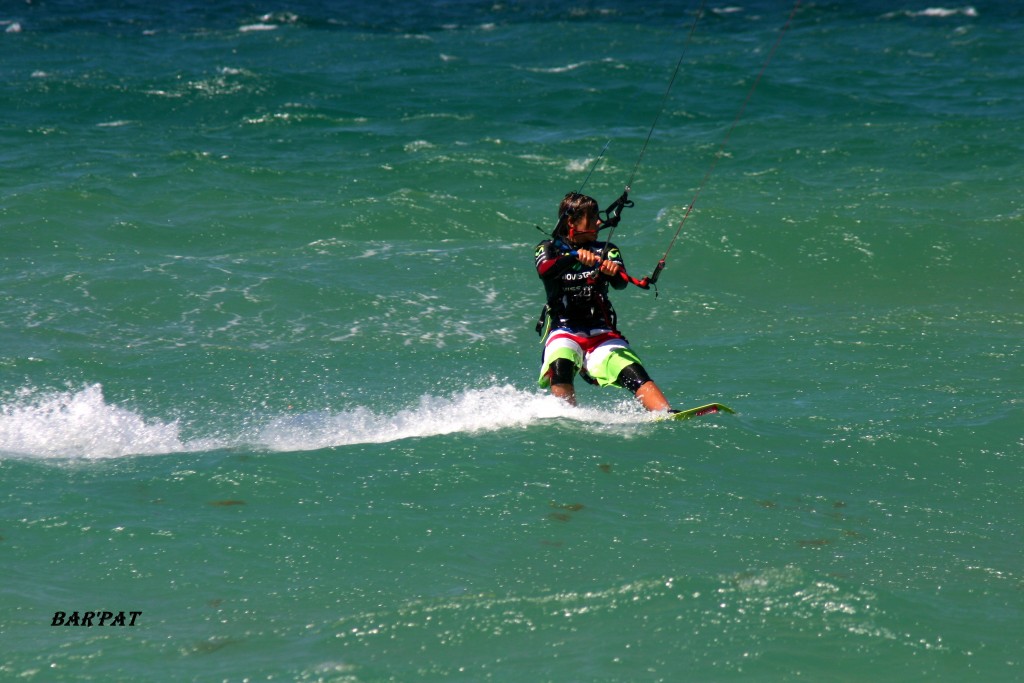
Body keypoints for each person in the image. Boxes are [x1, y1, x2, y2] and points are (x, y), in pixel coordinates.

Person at [534, 191, 672, 412]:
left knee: (631, 369)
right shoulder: (548, 248)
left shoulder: (607, 249)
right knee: (560, 362)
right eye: (593, 216)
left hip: (601, 331)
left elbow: (620, 283)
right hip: (564, 329)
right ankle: (565, 415)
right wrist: (573, 256)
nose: (599, 221)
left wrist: (612, 272)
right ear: (571, 221)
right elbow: (545, 270)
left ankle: (665, 413)